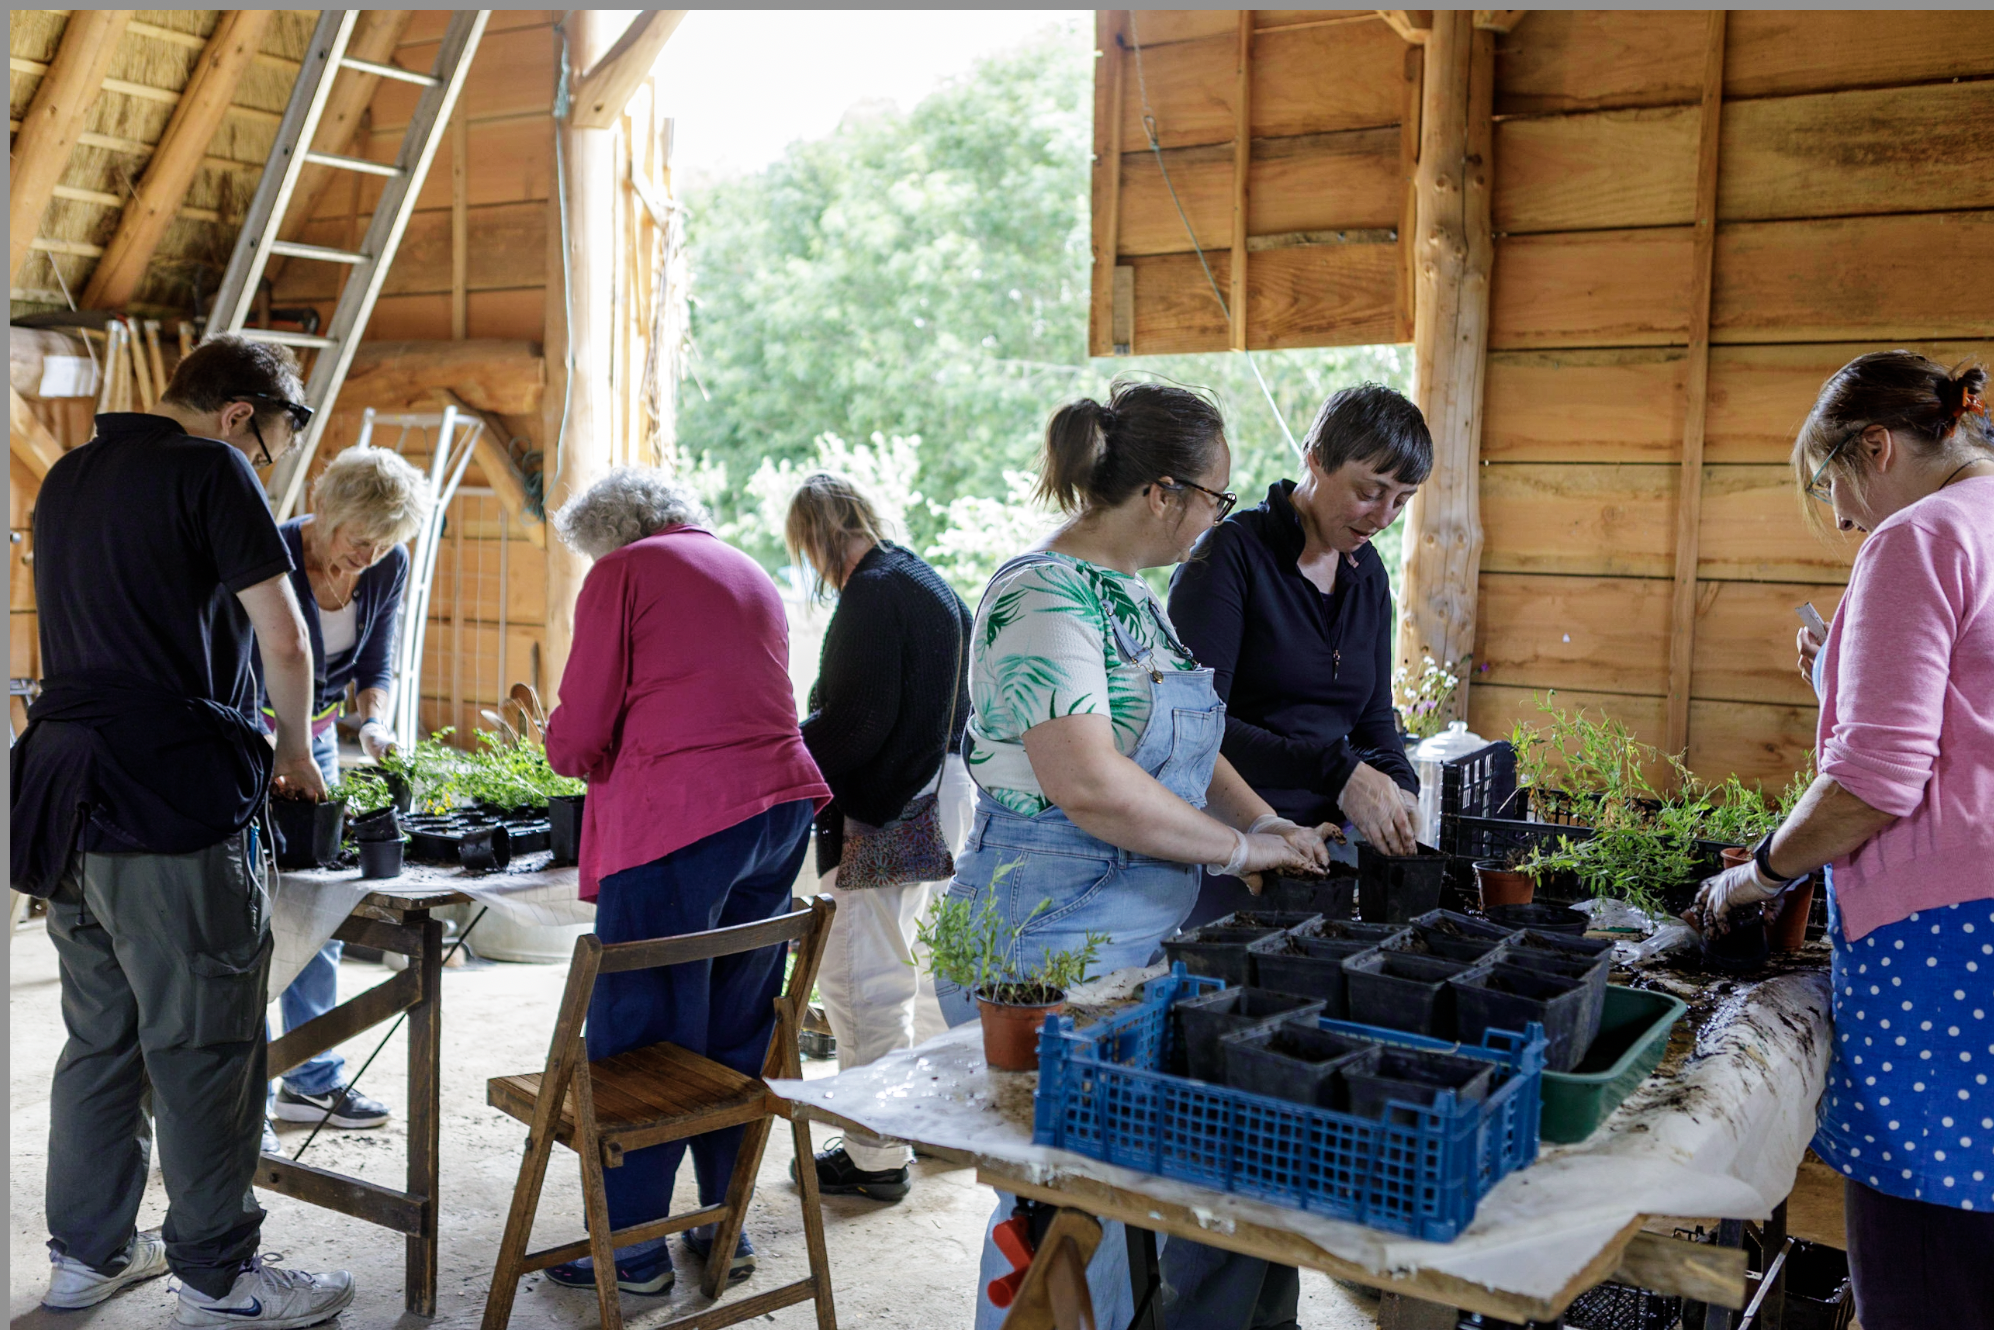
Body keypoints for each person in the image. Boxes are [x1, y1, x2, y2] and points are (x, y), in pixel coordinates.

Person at [936, 381, 1338, 1330]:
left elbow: (1189, 751)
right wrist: (1236, 848)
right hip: (1040, 944)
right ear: (1162, 493)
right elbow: (1091, 785)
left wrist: (1266, 825)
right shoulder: (1042, 596)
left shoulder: (1129, 599)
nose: (1216, 518)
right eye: (1216, 498)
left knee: (1125, 1212)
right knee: (1070, 1229)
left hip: (1124, 942)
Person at [11, 334, 356, 1321]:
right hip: (167, 791)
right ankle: (219, 1272)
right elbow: (283, 634)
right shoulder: (211, 468)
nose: (273, 454)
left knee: (102, 1036)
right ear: (242, 413)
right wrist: (294, 746)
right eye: (279, 432)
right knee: (203, 1038)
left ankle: (87, 1256)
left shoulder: (70, 475)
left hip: (62, 790)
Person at [1693, 352, 1994, 1328]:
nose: (1839, 517)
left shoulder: (1916, 537)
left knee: (1924, 1260)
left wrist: (1758, 876)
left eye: (1831, 484)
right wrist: (1840, 678)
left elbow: (1871, 780)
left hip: (1945, 953)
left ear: (1875, 446)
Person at [541, 468, 830, 1297]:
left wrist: (563, 749)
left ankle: (630, 1253)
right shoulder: (745, 567)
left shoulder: (625, 571)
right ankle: (721, 1226)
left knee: (644, 1030)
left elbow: (584, 725)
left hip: (683, 812)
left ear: (614, 536)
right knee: (737, 1025)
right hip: (776, 809)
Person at [1170, 383, 1428, 930]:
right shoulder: (1228, 555)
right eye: (1370, 491)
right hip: (1236, 844)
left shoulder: (1368, 574)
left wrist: (1400, 787)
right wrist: (1336, 771)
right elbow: (1195, 730)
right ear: (1315, 459)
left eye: (1402, 501)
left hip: (1324, 849)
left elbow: (1375, 717)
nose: (1383, 516)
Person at [785, 472, 974, 1203]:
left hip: (893, 805)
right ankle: (922, 1123)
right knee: (916, 965)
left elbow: (856, 726)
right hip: (946, 789)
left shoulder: (871, 592)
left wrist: (784, 750)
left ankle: (873, 1155)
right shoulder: (923, 576)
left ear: (815, 534)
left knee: (863, 977)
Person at [257, 445, 433, 1147]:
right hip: (250, 733)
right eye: (361, 540)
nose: (372, 555)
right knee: (253, 906)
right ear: (327, 514)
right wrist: (279, 746)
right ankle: (246, 1092)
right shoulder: (268, 553)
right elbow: (246, 660)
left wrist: (379, 722)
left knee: (319, 899)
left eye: (386, 541)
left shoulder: (388, 563)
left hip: (324, 735)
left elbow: (375, 660)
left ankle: (311, 1075)